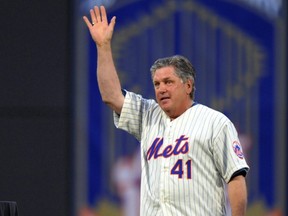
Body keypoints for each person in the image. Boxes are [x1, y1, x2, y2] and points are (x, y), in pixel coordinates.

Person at [83, 5, 249, 216]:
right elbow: (111, 96)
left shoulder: (215, 122)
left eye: (168, 82)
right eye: (157, 83)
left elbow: (235, 177)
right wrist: (103, 46)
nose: (161, 88)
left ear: (188, 85)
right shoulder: (148, 115)